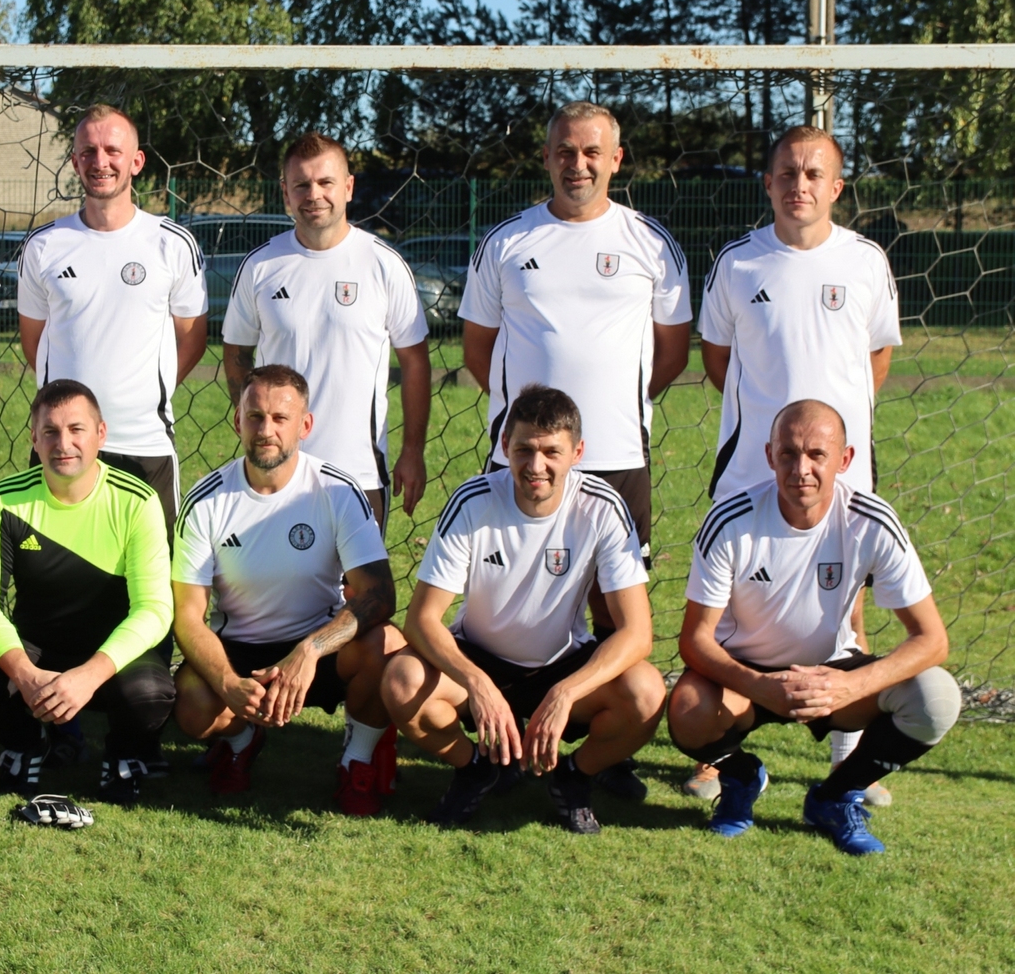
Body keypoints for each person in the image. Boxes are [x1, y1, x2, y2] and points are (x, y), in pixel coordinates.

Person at [459, 100, 692, 801]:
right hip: (522, 458)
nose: (578, 164)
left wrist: (613, 412)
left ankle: (599, 752)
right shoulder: (507, 242)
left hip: (617, 455)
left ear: (616, 160)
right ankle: (501, 730)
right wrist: (530, 429)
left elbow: (672, 354)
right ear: (546, 157)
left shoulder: (651, 243)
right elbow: (477, 349)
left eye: (592, 152)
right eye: (565, 150)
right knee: (511, 597)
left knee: (614, 610)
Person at [692, 124, 903, 801]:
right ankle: (717, 751)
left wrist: (829, 441)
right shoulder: (738, 263)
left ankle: (848, 755)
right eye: (787, 173)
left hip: (838, 472)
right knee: (729, 610)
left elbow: (876, 357)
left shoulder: (866, 261)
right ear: (768, 183)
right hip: (753, 468)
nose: (799, 185)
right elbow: (717, 359)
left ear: (836, 187)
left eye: (813, 174)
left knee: (846, 604)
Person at [668, 400, 959, 855]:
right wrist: (759, 685)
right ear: (770, 456)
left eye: (816, 454)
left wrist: (850, 685)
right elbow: (694, 639)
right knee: (687, 709)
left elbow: (932, 640)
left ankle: (836, 796)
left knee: (936, 698)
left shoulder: (872, 520)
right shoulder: (730, 519)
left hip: (833, 674)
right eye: (788, 453)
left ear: (844, 459)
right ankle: (741, 778)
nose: (801, 469)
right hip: (745, 675)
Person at [381, 385, 666, 833]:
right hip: (479, 658)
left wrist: (566, 692)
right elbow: (421, 620)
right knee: (402, 681)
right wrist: (477, 683)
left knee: (646, 692)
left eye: (552, 452)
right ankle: (475, 769)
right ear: (504, 446)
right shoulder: (473, 501)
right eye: (524, 450)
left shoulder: (602, 507)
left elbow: (637, 633)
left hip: (562, 665)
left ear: (577, 453)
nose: (536, 466)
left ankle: (574, 777)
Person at [172, 364, 403, 815]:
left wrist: (309, 651)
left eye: (280, 418)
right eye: (255, 417)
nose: (266, 430)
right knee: (192, 705)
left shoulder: (337, 490)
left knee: (388, 645)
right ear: (237, 421)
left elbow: (379, 595)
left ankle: (357, 760)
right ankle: (241, 740)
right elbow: (187, 615)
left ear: (305, 425)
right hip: (241, 651)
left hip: (318, 647)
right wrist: (228, 683)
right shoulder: (205, 501)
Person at [0, 379, 175, 806]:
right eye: (51, 431)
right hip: (38, 652)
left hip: (111, 655)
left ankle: (123, 754)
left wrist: (90, 674)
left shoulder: (138, 500)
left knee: (149, 694)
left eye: (77, 429)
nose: (64, 443)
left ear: (101, 434)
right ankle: (26, 743)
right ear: (34, 439)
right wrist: (24, 674)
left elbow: (154, 609)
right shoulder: (4, 500)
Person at [16, 103, 208, 534]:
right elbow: (34, 340)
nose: (100, 162)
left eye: (112, 151)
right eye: (88, 151)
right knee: (58, 571)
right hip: (63, 444)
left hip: (143, 442)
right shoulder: (44, 246)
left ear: (136, 161)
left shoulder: (172, 244)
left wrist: (142, 393)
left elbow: (192, 338)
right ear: (74, 162)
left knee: (153, 572)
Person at [222, 132, 431, 527]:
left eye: (325, 182)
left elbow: (415, 362)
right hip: (276, 472)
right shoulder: (260, 266)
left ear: (348, 187)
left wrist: (412, 451)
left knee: (360, 573)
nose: (314, 194)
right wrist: (256, 427)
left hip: (358, 475)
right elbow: (235, 351)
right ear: (285, 192)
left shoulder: (384, 265)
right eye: (301, 184)